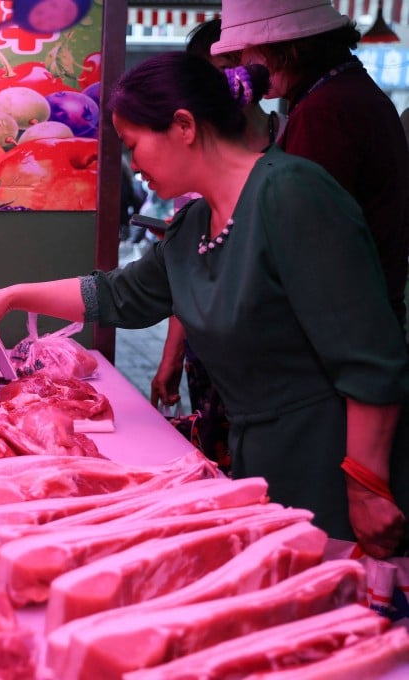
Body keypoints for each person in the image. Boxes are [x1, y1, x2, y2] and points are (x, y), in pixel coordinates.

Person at [0, 51, 409, 560]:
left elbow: (372, 357)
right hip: (260, 460)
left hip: (333, 461)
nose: (134, 165)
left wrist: (368, 484)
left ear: (184, 126)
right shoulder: (193, 226)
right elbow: (117, 294)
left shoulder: (292, 194)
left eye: (133, 145)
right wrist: (11, 296)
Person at [212, 0, 409, 335]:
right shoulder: (347, 93)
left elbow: (296, 233)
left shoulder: (326, 111)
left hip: (344, 330)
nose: (242, 64)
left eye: (245, 53)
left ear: (280, 48)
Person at [151, 18, 287, 470]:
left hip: (271, 376)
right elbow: (168, 278)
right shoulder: (194, 188)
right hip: (210, 357)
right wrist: (171, 355)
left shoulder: (292, 166)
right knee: (216, 463)